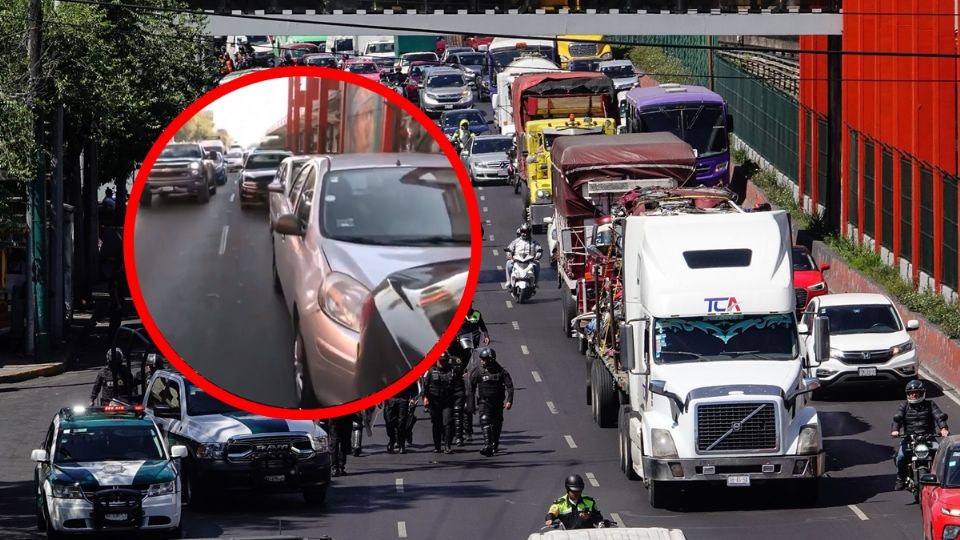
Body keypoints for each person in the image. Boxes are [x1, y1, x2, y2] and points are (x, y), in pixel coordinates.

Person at [892, 379, 949, 490]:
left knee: (940, 455)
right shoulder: (904, 406)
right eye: (911, 393)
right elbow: (897, 419)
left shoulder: (930, 404)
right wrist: (895, 430)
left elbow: (939, 416)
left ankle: (942, 478)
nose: (913, 395)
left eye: (916, 392)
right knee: (900, 457)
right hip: (909, 439)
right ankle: (900, 478)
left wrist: (943, 428)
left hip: (929, 437)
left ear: (922, 393)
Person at [469, 347, 514, 456]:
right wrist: (471, 404)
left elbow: (510, 387)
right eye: (481, 359)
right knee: (485, 420)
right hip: (484, 402)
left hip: (498, 402)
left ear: (491, 359)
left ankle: (494, 445)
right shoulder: (478, 371)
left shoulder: (501, 372)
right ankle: (488, 446)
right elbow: (471, 387)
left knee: (496, 423)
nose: (482, 361)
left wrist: (509, 401)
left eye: (484, 359)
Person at [422, 352, 465, 454]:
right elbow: (425, 386)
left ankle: (447, 445)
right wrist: (425, 398)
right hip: (434, 402)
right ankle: (437, 446)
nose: (442, 363)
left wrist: (459, 401)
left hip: (447, 402)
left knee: (447, 423)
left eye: (444, 361)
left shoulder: (453, 371)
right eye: (440, 361)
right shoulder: (430, 371)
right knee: (436, 424)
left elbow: (459, 387)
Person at [384, 380, 420, 453]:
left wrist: (413, 398)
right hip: (390, 397)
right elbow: (381, 382)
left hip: (403, 398)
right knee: (389, 421)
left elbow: (413, 385)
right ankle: (392, 439)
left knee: (401, 422)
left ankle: (401, 444)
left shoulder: (406, 370)